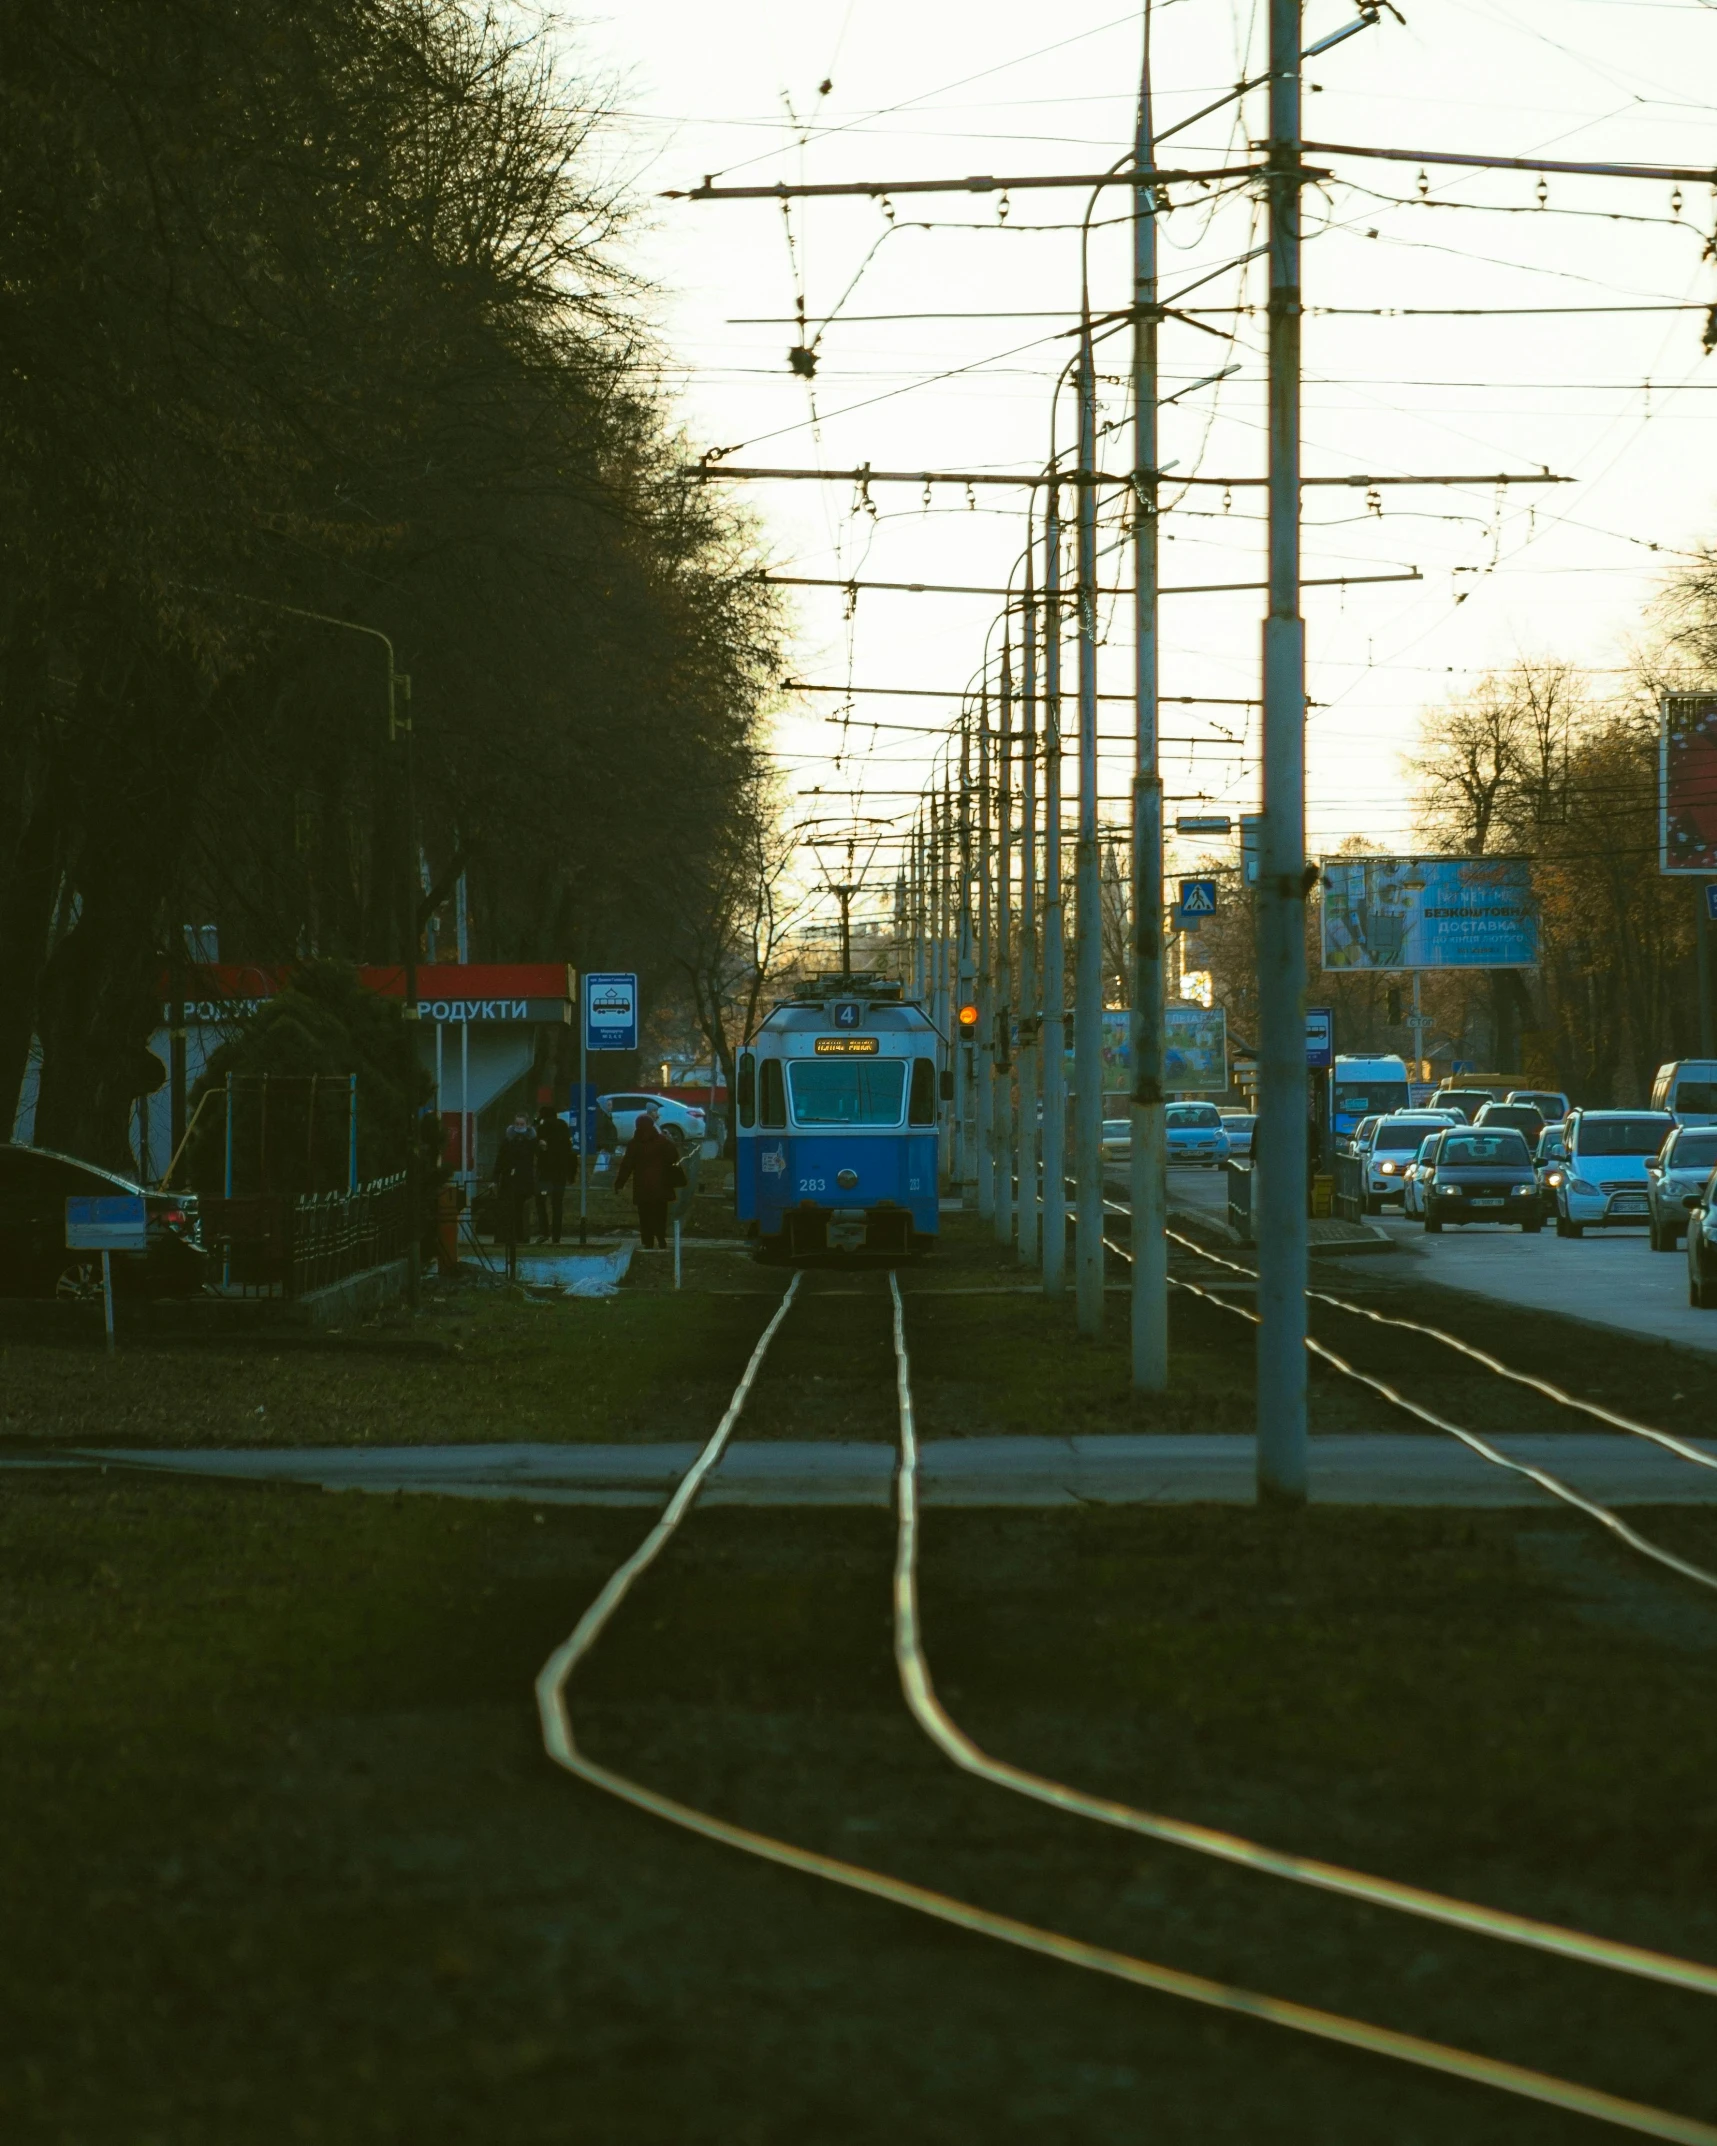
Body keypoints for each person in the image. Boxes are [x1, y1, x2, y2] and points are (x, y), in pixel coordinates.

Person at [614, 1103, 677, 1249]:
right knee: (661, 1213)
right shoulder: (662, 1141)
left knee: (645, 1215)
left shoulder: (634, 1144)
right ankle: (661, 1238)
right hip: (661, 1185)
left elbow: (626, 1166)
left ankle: (647, 1241)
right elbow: (673, 1157)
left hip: (643, 1186)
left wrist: (619, 1183)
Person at [494, 1109, 538, 1253]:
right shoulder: (510, 1140)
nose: (519, 1126)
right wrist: (495, 1177)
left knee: (518, 1209)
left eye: (521, 1124)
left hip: (522, 1180)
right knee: (509, 1208)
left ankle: (519, 1236)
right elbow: (500, 1159)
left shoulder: (529, 1141)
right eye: (517, 1124)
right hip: (511, 1178)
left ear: (526, 1124)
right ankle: (511, 1236)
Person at [536, 1105, 575, 1244]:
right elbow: (570, 1153)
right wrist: (571, 1174)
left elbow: (538, 1148)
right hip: (561, 1172)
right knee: (557, 1204)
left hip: (545, 1172)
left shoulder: (543, 1128)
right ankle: (556, 1236)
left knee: (541, 1201)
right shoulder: (563, 1127)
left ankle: (544, 1231)